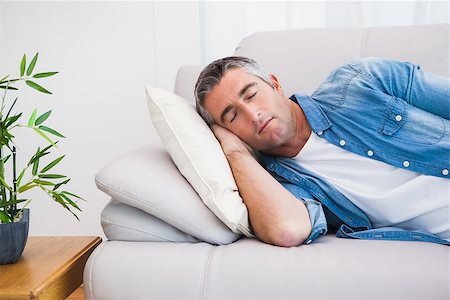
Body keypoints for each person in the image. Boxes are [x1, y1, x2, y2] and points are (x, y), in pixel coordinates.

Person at [194, 56, 450, 247]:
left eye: (251, 95)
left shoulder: (359, 81)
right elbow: (287, 230)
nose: (253, 115)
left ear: (275, 84)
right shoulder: (283, 184)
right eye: (233, 116)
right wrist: (234, 152)